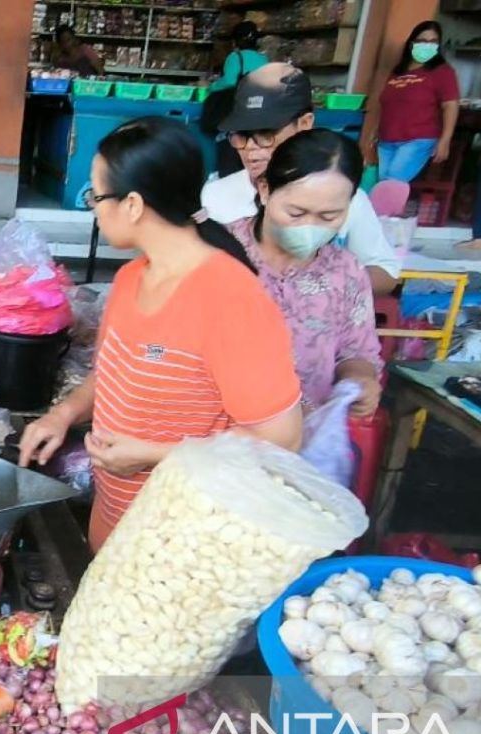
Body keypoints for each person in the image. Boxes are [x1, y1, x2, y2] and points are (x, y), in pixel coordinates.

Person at [19, 117, 302, 553]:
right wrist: (62, 415)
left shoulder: (231, 298)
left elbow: (279, 441)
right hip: (116, 524)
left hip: (186, 545)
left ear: (132, 204)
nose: (92, 206)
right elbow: (118, 373)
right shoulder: (133, 277)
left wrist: (151, 455)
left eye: (95, 194)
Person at [202, 63, 401, 295]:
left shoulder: (342, 197)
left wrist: (325, 287)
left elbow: (386, 272)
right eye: (241, 136)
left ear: (304, 124)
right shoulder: (214, 196)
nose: (251, 149)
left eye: (267, 134)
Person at [226, 129, 383, 417]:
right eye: (296, 213)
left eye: (329, 216)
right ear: (264, 191)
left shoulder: (346, 272)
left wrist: (359, 379)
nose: (309, 227)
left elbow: (357, 351)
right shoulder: (217, 253)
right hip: (214, 444)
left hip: (302, 442)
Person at [376, 21, 460, 184]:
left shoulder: (443, 72)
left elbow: (450, 105)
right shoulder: (398, 72)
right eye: (422, 41)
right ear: (411, 43)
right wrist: (374, 133)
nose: (427, 45)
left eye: (433, 42)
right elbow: (386, 104)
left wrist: (445, 140)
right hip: (387, 140)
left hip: (418, 139)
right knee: (384, 185)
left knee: (391, 184)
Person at [209, 21, 267, 92]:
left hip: (241, 99)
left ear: (237, 41)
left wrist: (211, 87)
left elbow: (230, 81)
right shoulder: (263, 58)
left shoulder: (235, 57)